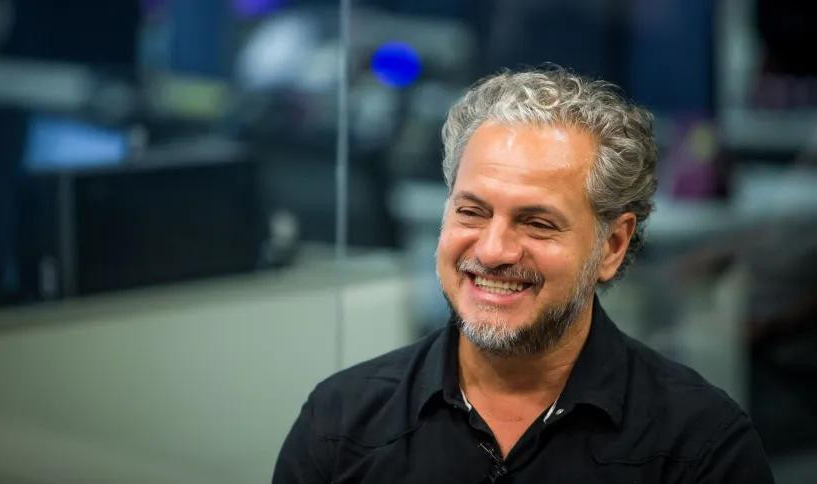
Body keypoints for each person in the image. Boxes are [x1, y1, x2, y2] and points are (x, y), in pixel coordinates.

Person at [273, 67, 775, 483]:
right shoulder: (341, 423)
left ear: (612, 246)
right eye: (471, 212)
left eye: (537, 223)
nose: (492, 250)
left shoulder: (701, 448)